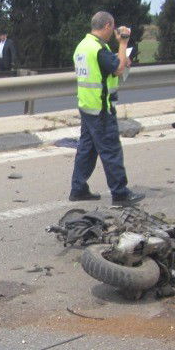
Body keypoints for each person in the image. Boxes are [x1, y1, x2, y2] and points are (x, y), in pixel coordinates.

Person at [68, 11, 145, 207]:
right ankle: (120, 194)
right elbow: (118, 69)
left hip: (86, 106)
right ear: (108, 26)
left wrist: (120, 56)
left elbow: (107, 68)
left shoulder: (83, 46)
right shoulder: (98, 49)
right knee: (111, 150)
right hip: (101, 109)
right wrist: (123, 43)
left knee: (87, 149)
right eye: (113, 28)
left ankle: (78, 189)